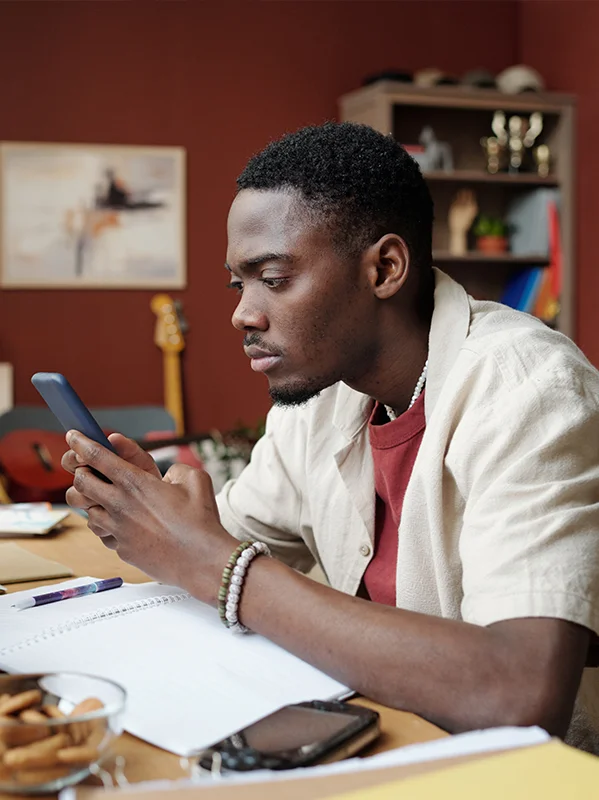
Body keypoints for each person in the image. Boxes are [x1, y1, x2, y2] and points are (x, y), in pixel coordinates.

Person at [63, 122, 599, 751]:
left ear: (385, 269)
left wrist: (216, 565)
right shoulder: (321, 396)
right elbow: (224, 545)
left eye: (274, 277)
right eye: (240, 283)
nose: (242, 312)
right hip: (376, 745)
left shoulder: (528, 388)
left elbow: (520, 690)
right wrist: (159, 523)